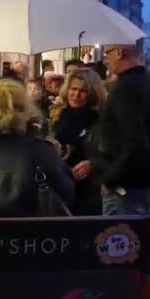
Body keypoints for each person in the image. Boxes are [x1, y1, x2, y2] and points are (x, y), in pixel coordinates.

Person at [97, 45, 150, 215]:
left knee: (119, 236)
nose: (105, 59)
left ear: (119, 52)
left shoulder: (126, 88)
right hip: (148, 178)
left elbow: (134, 142)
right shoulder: (149, 83)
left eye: (108, 53)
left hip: (125, 186)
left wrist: (110, 179)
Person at [0, 79, 75, 217]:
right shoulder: (39, 149)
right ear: (23, 109)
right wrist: (56, 158)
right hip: (29, 232)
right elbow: (67, 191)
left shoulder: (39, 148)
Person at [52, 68, 107, 215]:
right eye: (73, 89)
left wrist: (92, 164)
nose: (76, 95)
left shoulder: (101, 120)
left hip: (90, 190)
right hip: (64, 187)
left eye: (82, 91)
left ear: (92, 94)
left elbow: (114, 153)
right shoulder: (61, 116)